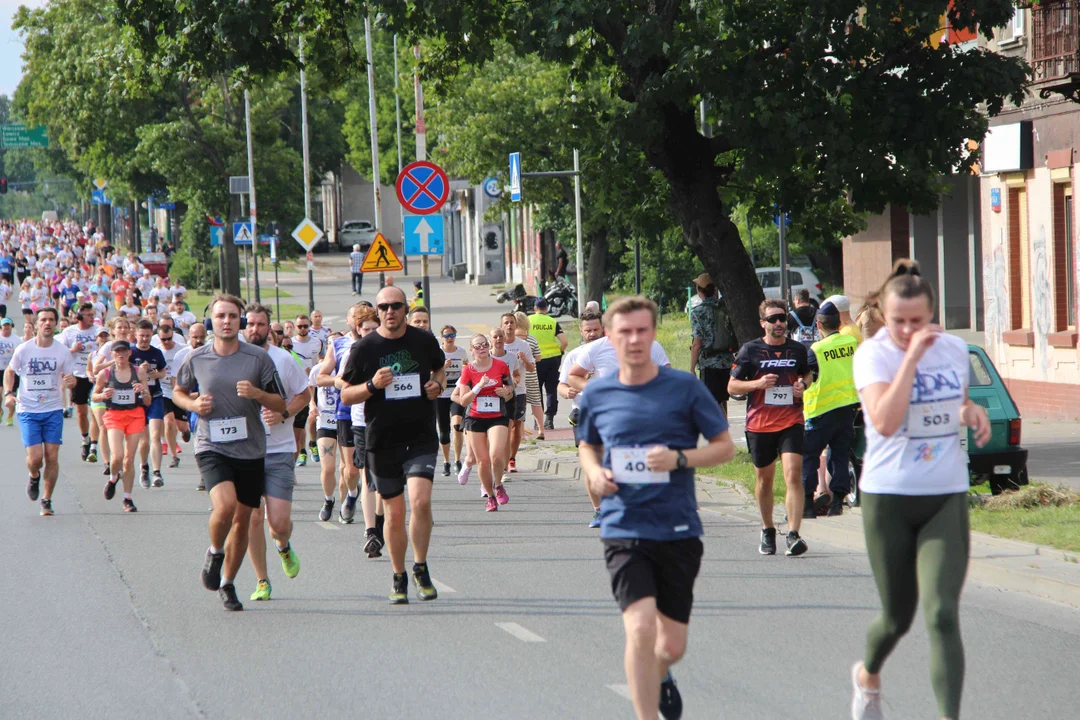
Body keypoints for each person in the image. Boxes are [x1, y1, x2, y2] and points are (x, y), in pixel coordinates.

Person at [576, 296, 735, 720]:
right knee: (641, 628)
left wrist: (680, 459)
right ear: (608, 337)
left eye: (642, 331)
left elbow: (724, 448)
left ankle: (661, 673)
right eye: (624, 331)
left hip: (678, 527)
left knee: (671, 647)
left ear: (653, 335)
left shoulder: (684, 388)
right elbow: (587, 446)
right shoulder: (598, 392)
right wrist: (593, 472)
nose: (633, 339)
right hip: (623, 525)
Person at [849, 260, 990, 720]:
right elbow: (886, 422)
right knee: (896, 619)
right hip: (888, 498)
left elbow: (955, 401)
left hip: (944, 495)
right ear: (883, 316)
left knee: (942, 614)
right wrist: (910, 357)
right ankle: (867, 674)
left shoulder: (952, 349)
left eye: (918, 321)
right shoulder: (873, 355)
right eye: (899, 322)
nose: (909, 330)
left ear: (932, 314)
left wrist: (970, 411)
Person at [173, 294, 287, 612]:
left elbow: (281, 403)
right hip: (212, 446)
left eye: (233, 316)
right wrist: (194, 404)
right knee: (224, 508)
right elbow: (178, 393)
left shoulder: (257, 359)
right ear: (212, 321)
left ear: (240, 321)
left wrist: (258, 394)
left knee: (243, 520)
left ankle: (228, 582)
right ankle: (214, 551)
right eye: (221, 316)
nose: (227, 321)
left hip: (250, 449)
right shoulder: (195, 357)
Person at [339, 285, 446, 604]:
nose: (390, 311)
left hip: (420, 435)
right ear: (377, 312)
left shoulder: (423, 340)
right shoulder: (365, 348)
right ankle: (399, 575)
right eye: (384, 307)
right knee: (396, 513)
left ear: (405, 309)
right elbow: (345, 393)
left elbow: (440, 368)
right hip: (382, 439)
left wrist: (437, 385)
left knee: (421, 501)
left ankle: (421, 567)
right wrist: (372, 385)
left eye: (396, 306)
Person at [728, 298, 814, 557]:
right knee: (764, 481)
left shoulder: (797, 350)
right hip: (760, 424)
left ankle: (793, 534)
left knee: (793, 474)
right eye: (773, 319)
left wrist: (804, 385)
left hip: (791, 420)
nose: (779, 323)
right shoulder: (750, 350)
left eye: (783, 318)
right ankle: (767, 530)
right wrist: (757, 384)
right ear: (763, 323)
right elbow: (732, 387)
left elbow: (806, 373)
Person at [243, 304, 308, 602]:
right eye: (251, 323)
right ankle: (262, 580)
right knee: (254, 517)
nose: (254, 329)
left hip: (279, 449)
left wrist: (283, 414)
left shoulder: (284, 359)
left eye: (260, 324)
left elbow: (304, 395)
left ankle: (283, 546)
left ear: (269, 328)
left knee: (278, 523)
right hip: (246, 450)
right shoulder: (235, 359)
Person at [4, 307, 76, 517]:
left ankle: (46, 499)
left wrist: (71, 382)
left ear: (55, 324)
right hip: (28, 410)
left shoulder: (62, 351)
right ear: (36, 324)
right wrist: (8, 393)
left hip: (53, 409)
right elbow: (10, 371)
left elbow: (70, 379)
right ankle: (34, 475)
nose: (47, 323)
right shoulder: (24, 349)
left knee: (52, 456)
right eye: (43, 320)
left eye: (51, 320)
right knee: (36, 458)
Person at [800, 301, 859, 518]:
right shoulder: (852, 342)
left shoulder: (816, 349)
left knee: (809, 456)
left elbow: (807, 377)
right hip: (847, 409)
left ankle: (807, 505)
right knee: (840, 455)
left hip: (820, 411)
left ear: (818, 325)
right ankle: (837, 503)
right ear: (840, 323)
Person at [316, 303, 366, 524]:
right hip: (345, 410)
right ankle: (351, 495)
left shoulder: (381, 342)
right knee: (351, 469)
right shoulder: (338, 344)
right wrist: (337, 381)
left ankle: (375, 517)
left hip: (374, 410)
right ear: (348, 320)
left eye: (365, 316)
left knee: (372, 467)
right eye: (355, 316)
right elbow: (320, 377)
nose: (360, 319)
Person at [556, 309, 606, 526]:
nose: (592, 334)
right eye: (588, 330)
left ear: (603, 328)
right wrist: (566, 391)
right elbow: (561, 384)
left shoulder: (613, 351)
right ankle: (599, 510)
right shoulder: (574, 355)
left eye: (596, 329)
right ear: (581, 330)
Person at [95, 340, 152, 512]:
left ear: (129, 353)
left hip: (135, 415)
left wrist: (142, 390)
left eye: (124, 351)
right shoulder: (105, 374)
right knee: (117, 456)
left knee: (129, 460)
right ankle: (113, 478)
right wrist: (103, 394)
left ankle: (127, 498)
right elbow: (95, 396)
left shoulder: (138, 372)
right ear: (112, 354)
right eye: (117, 352)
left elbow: (148, 401)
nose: (121, 355)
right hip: (114, 416)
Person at [688, 273, 737, 417]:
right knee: (722, 399)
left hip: (709, 363)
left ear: (699, 290)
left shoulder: (698, 312)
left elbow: (697, 343)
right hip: (728, 361)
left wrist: (691, 368)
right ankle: (724, 429)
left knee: (711, 401)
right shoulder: (725, 307)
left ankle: (721, 432)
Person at [61, 302, 102, 462]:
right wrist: (73, 350)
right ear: (79, 317)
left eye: (93, 314)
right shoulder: (69, 332)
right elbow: (60, 352)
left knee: (95, 411)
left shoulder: (99, 331)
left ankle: (94, 444)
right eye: (89, 315)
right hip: (78, 375)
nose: (93, 318)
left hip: (95, 375)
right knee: (81, 412)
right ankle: (85, 439)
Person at [130, 319, 168, 488]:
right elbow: (125, 376)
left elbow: (163, 373)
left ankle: (157, 472)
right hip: (138, 400)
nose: (144, 339)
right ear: (136, 335)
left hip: (156, 397)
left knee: (155, 436)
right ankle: (144, 467)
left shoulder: (157, 353)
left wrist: (155, 374)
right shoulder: (130, 352)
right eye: (141, 336)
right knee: (144, 440)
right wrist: (140, 372)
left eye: (147, 336)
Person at [500, 313, 535, 473]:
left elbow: (531, 368)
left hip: (519, 390)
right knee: (504, 426)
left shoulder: (523, 345)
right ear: (502, 326)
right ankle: (501, 456)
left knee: (516, 425)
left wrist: (525, 360)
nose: (509, 325)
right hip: (498, 392)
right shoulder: (497, 344)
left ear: (516, 325)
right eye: (506, 323)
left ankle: (511, 459)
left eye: (511, 322)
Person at [290, 314, 324, 467]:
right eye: (300, 326)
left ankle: (312, 443)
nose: (303, 329)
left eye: (305, 326)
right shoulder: (290, 344)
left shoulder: (317, 342)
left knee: (313, 416)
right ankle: (302, 451)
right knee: (300, 422)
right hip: (298, 386)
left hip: (315, 385)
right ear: (295, 327)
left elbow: (323, 359)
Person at [436, 325, 468, 477]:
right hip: (441, 394)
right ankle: (446, 461)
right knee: (443, 432)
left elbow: (467, 367)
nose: (450, 338)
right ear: (442, 337)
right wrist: (443, 367)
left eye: (452, 335)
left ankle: (457, 460)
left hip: (456, 393)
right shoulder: (438, 353)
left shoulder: (461, 351)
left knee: (457, 426)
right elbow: (431, 373)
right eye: (447, 336)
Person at [530, 297, 567, 431]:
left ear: (535, 308)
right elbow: (564, 342)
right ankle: (549, 419)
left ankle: (537, 421)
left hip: (535, 360)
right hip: (552, 360)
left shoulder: (529, 321)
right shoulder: (552, 322)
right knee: (551, 390)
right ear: (546, 309)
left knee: (536, 390)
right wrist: (559, 352)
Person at [156, 317, 186, 469]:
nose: (166, 342)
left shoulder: (181, 349)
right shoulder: (157, 350)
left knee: (181, 426)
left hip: (179, 390)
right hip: (164, 391)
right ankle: (174, 456)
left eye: (168, 339)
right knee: (168, 422)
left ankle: (185, 431)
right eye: (163, 339)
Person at [514, 311, 546, 440]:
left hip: (518, 376)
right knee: (536, 402)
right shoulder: (531, 339)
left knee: (520, 403)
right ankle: (541, 430)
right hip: (531, 375)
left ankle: (520, 434)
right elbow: (538, 358)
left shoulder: (512, 340)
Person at [0, 317, 24, 426]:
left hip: (12, 371)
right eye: (4, 325)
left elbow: (24, 354)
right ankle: (0, 411)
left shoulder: (17, 340)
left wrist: (16, 353)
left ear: (11, 327)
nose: (6, 327)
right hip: (0, 369)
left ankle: (10, 416)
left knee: (11, 396)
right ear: (1, 327)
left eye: (8, 325)